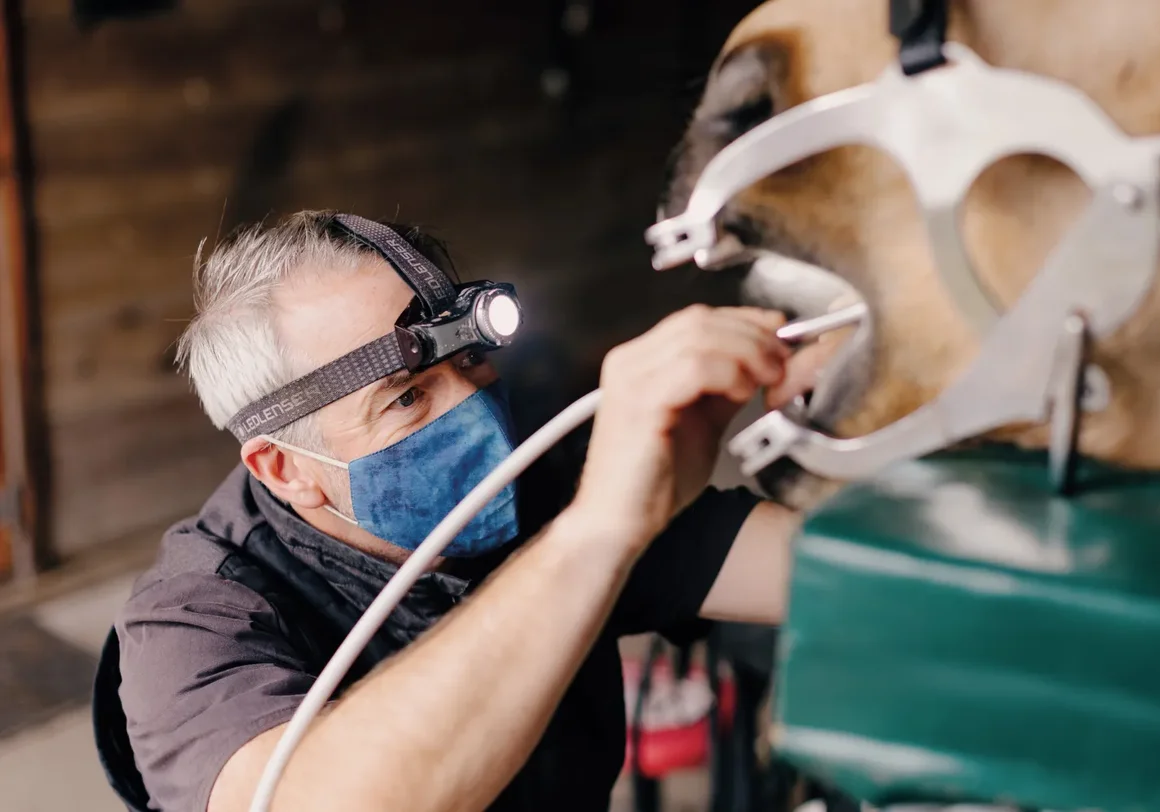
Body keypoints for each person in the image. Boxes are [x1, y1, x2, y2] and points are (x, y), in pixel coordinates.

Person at [92, 210, 804, 812]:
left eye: (469, 364)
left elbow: (819, 571)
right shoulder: (190, 627)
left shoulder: (544, 484)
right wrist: (594, 537)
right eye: (406, 397)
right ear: (285, 468)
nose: (472, 410)